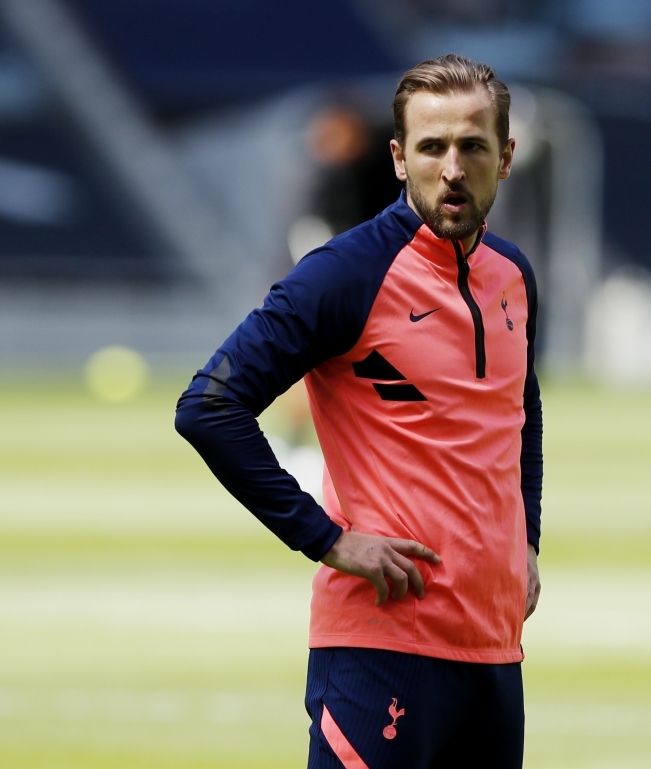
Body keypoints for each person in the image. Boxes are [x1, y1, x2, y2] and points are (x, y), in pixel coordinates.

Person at [175, 54, 542, 769]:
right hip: (382, 650)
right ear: (400, 159)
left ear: (507, 154)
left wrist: (526, 540)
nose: (454, 168)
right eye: (432, 147)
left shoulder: (513, 275)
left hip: (494, 650)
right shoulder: (345, 273)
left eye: (472, 145)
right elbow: (209, 406)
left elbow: (519, 412)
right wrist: (327, 539)